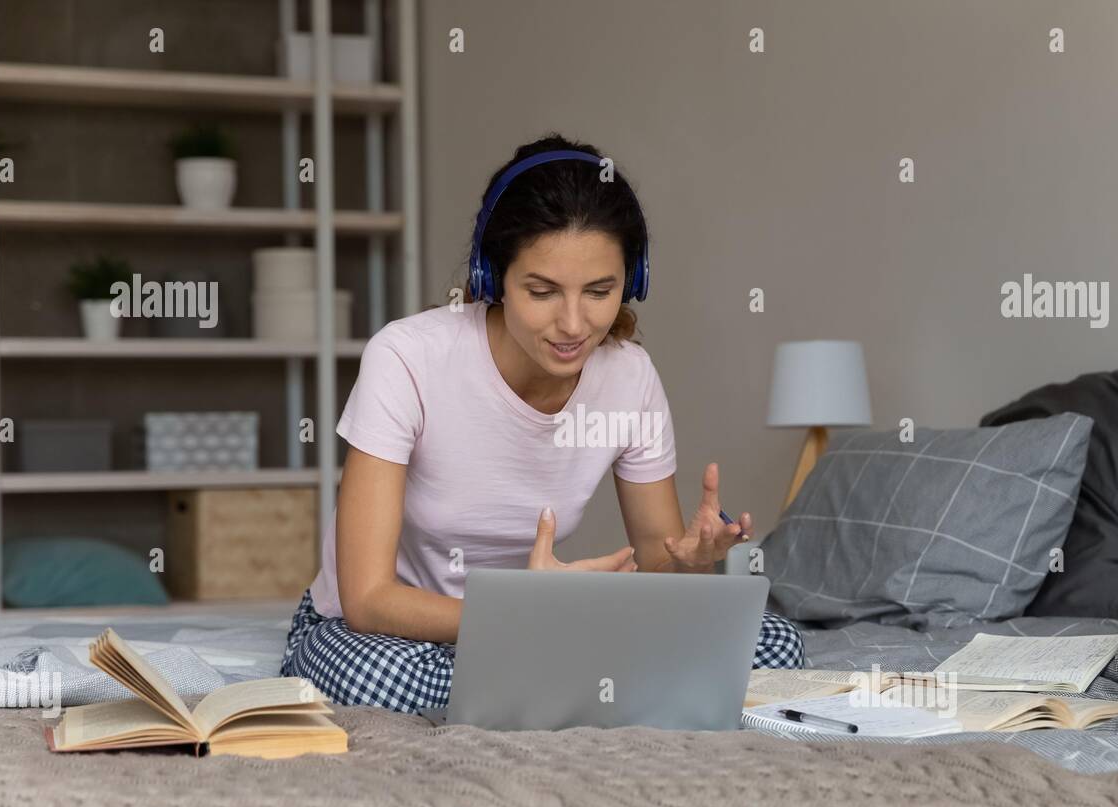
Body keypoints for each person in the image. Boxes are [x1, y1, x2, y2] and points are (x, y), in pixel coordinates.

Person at [281, 133, 803, 713]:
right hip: (399, 632)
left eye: (600, 292)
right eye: (542, 291)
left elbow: (658, 563)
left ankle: (547, 686)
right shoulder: (407, 358)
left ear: (631, 282)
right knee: (364, 680)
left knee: (775, 645)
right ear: (491, 275)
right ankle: (580, 688)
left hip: (551, 626)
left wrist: (692, 565)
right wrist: (529, 619)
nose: (574, 324)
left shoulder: (629, 377)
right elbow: (368, 598)